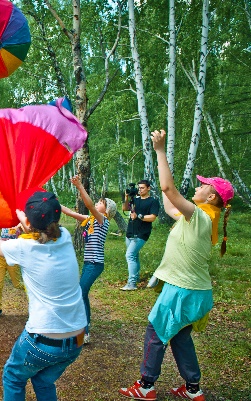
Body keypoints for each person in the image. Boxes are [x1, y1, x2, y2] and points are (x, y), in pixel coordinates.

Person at [119, 129, 234, 401]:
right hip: (193, 290)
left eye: (203, 185)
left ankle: (146, 385)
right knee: (180, 336)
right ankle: (193, 389)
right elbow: (170, 200)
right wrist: (156, 186)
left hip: (182, 290)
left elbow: (170, 189)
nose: (198, 186)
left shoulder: (200, 217)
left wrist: (160, 151)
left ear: (212, 197)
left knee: (156, 331)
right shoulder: (197, 216)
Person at [0, 191, 87, 401]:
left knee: (13, 376)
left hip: (44, 339)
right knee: (44, 380)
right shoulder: (65, 237)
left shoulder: (24, 247)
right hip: (77, 339)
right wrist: (22, 216)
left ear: (29, 222)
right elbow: (37, 226)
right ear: (56, 219)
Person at [61, 175, 117, 344]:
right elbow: (70, 212)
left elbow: (89, 205)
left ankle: (84, 332)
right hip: (88, 263)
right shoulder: (91, 220)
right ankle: (84, 327)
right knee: (82, 294)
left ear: (106, 211)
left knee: (80, 293)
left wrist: (79, 186)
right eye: (99, 202)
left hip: (95, 264)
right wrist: (53, 201)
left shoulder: (102, 220)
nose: (98, 204)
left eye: (102, 203)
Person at [121, 179, 160, 290]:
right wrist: (126, 197)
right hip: (130, 232)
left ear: (148, 188)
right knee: (135, 255)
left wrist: (139, 216)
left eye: (142, 188)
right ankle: (136, 277)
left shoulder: (153, 201)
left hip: (142, 233)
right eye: (139, 188)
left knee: (130, 255)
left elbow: (152, 217)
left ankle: (132, 283)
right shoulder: (135, 200)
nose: (140, 190)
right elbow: (124, 208)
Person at [0, 225, 26, 319]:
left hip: (13, 258)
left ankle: (32, 289)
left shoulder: (19, 223)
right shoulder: (3, 222)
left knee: (17, 284)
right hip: (1, 257)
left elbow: (27, 230)